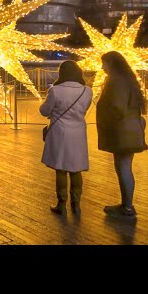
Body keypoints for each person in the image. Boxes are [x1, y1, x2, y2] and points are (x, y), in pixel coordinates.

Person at [97, 51, 148, 218]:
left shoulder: (116, 81)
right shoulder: (128, 79)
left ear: (112, 64)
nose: (102, 67)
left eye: (104, 63)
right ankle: (126, 204)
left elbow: (117, 106)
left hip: (121, 130)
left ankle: (127, 207)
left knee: (123, 167)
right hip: (132, 128)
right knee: (125, 167)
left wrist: (105, 119)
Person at [39, 60, 93, 216]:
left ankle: (61, 204)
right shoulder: (86, 91)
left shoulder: (55, 90)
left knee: (61, 169)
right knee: (76, 169)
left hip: (59, 132)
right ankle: (76, 205)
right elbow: (84, 109)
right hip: (78, 132)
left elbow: (45, 110)